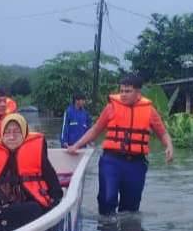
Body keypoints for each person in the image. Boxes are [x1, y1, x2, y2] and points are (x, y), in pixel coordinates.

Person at [66, 74, 174, 215]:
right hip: (111, 160)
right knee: (108, 199)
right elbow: (95, 130)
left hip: (136, 163)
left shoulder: (150, 111)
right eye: (121, 90)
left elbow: (163, 133)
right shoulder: (111, 108)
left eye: (128, 91)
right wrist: (76, 146)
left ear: (138, 93)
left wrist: (169, 146)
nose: (123, 94)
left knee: (130, 208)